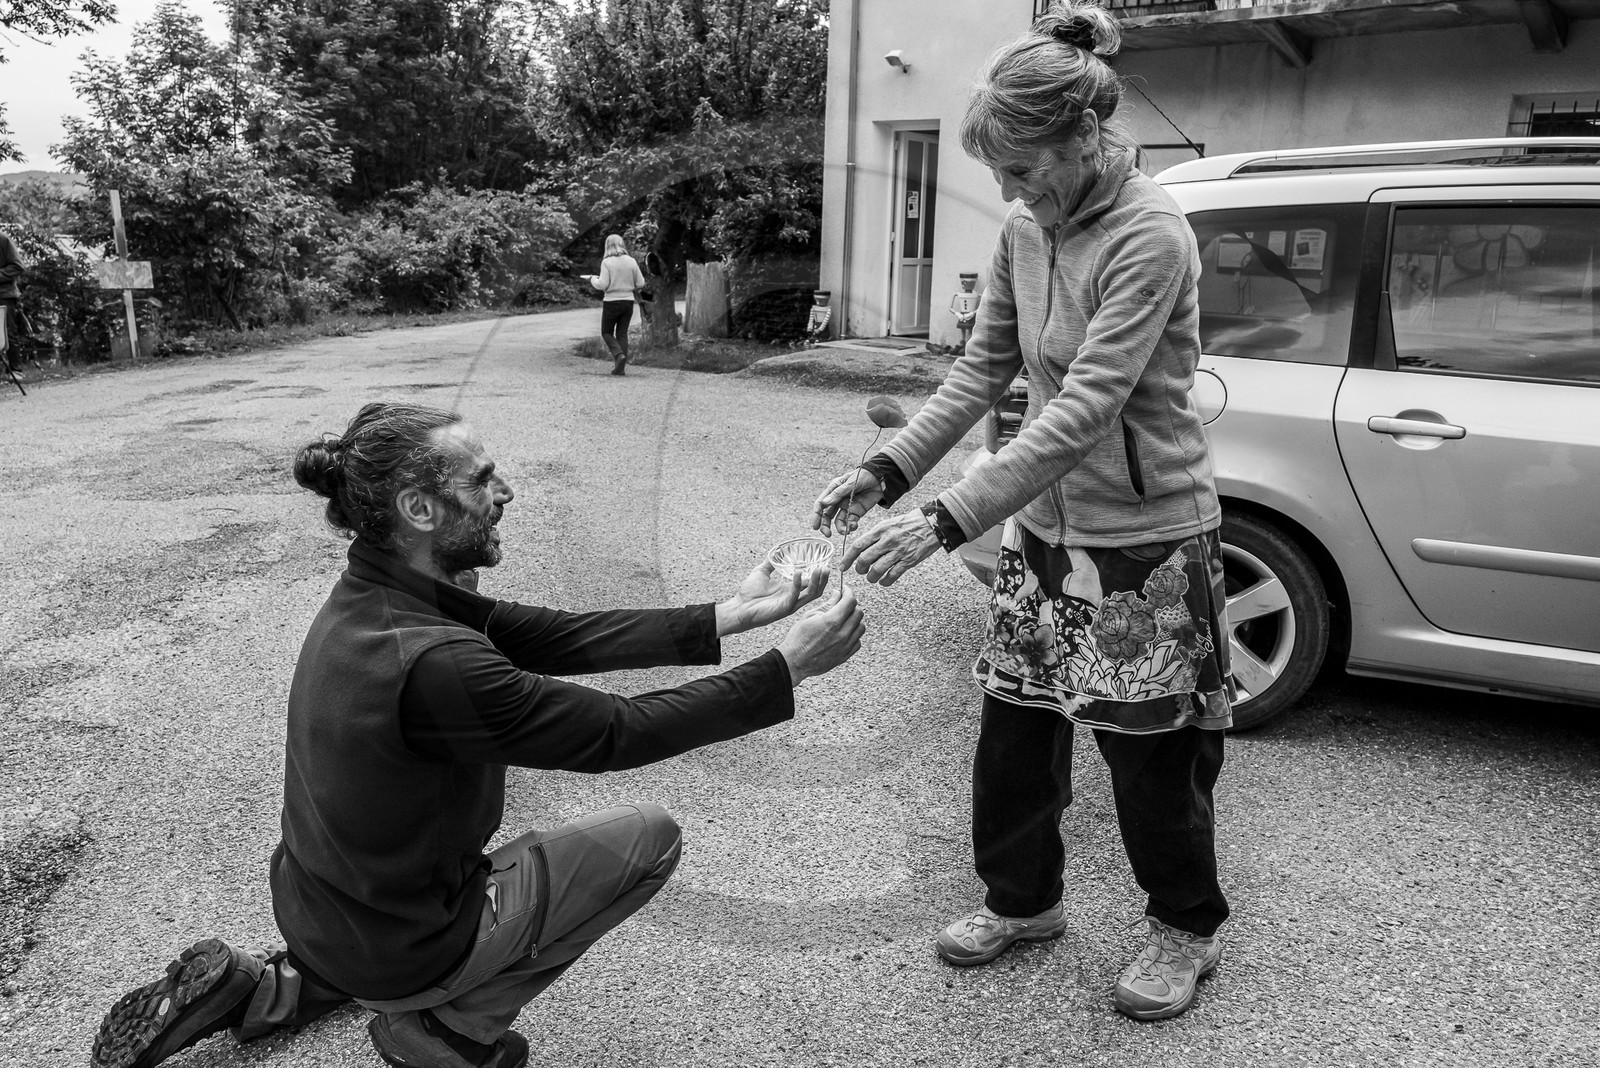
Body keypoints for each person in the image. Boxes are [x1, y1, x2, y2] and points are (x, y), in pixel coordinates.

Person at [93, 401, 866, 1068]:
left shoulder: (380, 592)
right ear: (419, 509)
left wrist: (734, 613)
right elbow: (620, 732)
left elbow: (555, 635)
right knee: (650, 836)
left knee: (379, 902)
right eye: (481, 480)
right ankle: (444, 1030)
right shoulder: (438, 663)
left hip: (318, 908)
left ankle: (268, 989)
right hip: (404, 941)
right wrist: (786, 669)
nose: (506, 492)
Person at [811, 3, 1232, 1023]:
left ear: (1084, 136)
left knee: (1151, 756)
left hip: (1144, 542)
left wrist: (944, 521)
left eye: (1022, 168)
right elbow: (980, 371)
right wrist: (889, 470)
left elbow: (1087, 408)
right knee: (1015, 734)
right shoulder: (1023, 229)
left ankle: (1186, 927)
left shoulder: (1150, 234)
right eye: (998, 173)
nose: (1007, 190)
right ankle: (1023, 902)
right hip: (1041, 531)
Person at [585, 234, 647, 376]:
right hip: (628, 301)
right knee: (622, 333)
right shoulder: (631, 261)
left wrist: (593, 279)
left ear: (607, 245)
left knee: (606, 332)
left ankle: (619, 355)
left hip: (611, 301)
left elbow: (603, 284)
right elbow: (640, 283)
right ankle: (620, 368)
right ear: (621, 244)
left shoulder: (607, 262)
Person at [0, 229, 25, 373]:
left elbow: (17, 266)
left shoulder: (3, 239)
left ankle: (15, 370)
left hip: (4, 294)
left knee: (7, 332)